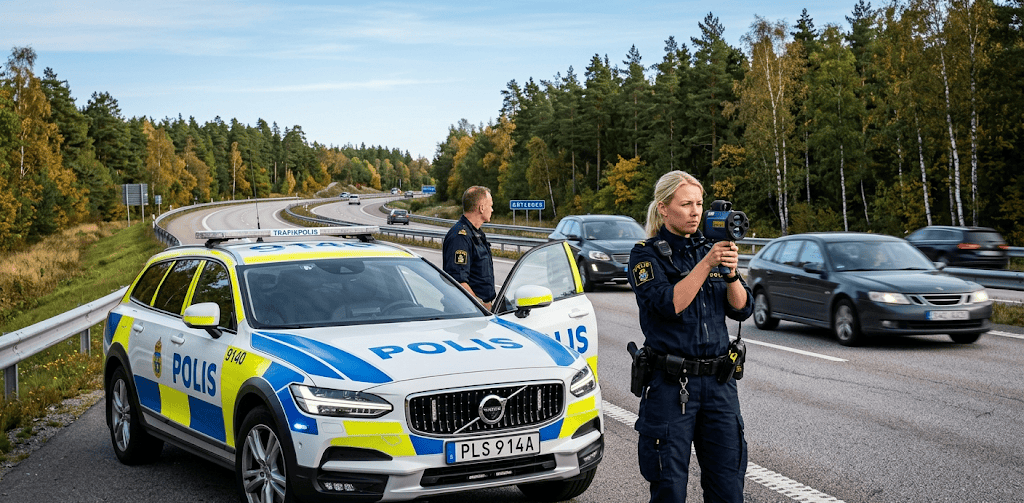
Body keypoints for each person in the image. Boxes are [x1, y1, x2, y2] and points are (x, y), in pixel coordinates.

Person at [627, 170, 753, 503]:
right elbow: (670, 304)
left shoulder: (711, 247)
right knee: (669, 487)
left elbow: (742, 310)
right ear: (664, 208)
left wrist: (730, 275)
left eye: (699, 203)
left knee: (728, 485)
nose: (695, 211)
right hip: (671, 385)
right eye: (686, 204)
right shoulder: (645, 255)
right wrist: (706, 263)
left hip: (719, 385)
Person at [442, 186, 496, 310]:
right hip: (467, 311)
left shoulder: (477, 234)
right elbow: (457, 281)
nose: (492, 210)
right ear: (481, 208)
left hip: (478, 309)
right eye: (490, 205)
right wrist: (480, 307)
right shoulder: (460, 237)